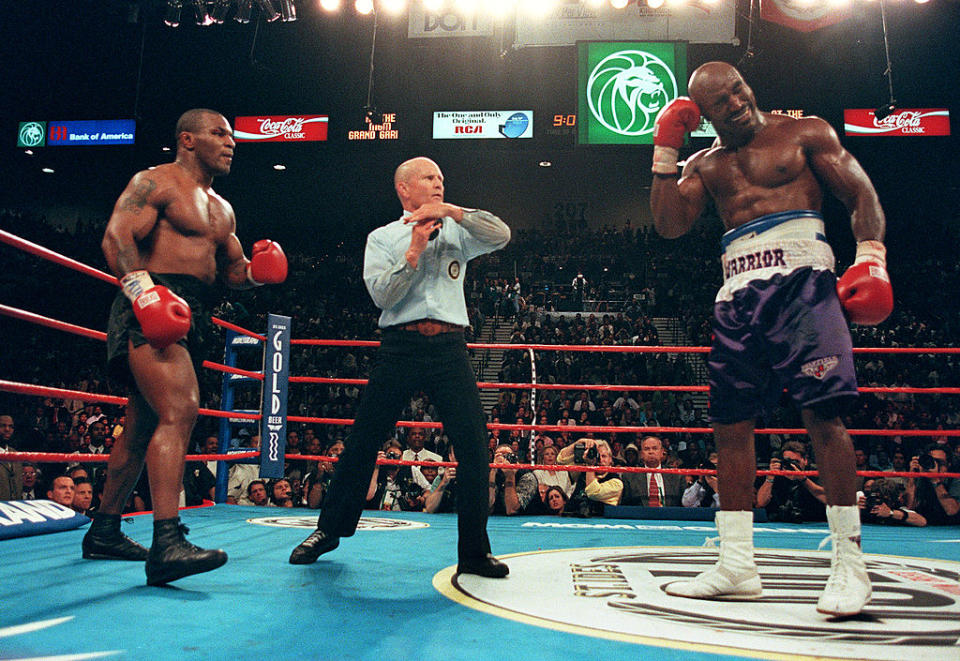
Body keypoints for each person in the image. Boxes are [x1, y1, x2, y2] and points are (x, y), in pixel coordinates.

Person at [650, 62, 892, 616]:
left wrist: (871, 258)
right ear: (704, 115)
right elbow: (669, 225)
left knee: (823, 417)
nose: (735, 102)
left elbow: (860, 194)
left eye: (737, 89)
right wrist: (665, 150)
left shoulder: (804, 131)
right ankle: (737, 565)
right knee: (730, 426)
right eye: (720, 101)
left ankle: (850, 567)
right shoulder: (704, 164)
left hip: (804, 284)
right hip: (738, 292)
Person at [83, 108, 288, 586]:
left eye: (232, 136)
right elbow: (116, 237)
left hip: (194, 313)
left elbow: (232, 271)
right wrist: (144, 293)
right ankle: (167, 541)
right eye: (219, 134)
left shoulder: (221, 208)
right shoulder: (156, 183)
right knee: (181, 409)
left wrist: (259, 271)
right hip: (151, 300)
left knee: (141, 427)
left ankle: (105, 530)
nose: (230, 142)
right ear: (188, 140)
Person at [289, 156, 511, 578]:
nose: (439, 184)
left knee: (473, 446)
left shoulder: (458, 231)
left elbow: (501, 235)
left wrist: (450, 212)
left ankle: (474, 552)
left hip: (449, 346)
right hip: (399, 344)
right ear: (404, 190)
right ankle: (329, 531)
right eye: (429, 178)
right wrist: (414, 250)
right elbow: (382, 297)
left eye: (442, 178)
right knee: (363, 440)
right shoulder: (383, 238)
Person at [756, 441, 826, 523]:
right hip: (779, 524)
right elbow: (761, 503)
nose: (792, 465)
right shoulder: (776, 474)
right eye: (788, 461)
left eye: (796, 461)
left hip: (813, 522)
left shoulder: (815, 473)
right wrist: (770, 477)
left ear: (805, 460)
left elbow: (826, 498)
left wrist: (803, 479)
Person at [621, 435, 685, 507]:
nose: (651, 452)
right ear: (641, 454)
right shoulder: (629, 476)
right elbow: (626, 506)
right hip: (640, 516)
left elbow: (684, 504)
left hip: (669, 516)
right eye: (647, 449)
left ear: (662, 452)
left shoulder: (676, 475)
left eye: (655, 448)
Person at [0, 415, 23, 500]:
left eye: (10, 426)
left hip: (14, 509)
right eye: (3, 426)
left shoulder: (16, 454)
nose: (7, 429)